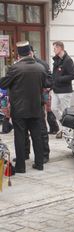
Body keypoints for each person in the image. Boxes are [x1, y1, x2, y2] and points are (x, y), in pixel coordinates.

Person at [0, 41, 46, 173]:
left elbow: (3, 84)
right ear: (29, 52)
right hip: (36, 107)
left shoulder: (15, 68)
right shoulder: (40, 67)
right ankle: (39, 163)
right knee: (37, 136)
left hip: (19, 109)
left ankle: (20, 166)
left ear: (19, 54)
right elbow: (46, 83)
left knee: (20, 137)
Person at [51, 41, 74, 138]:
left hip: (65, 90)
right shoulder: (57, 60)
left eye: (54, 48)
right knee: (54, 108)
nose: (53, 50)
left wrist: (60, 79)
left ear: (60, 48)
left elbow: (73, 75)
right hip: (55, 89)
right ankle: (63, 127)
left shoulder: (68, 60)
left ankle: (66, 131)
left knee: (66, 111)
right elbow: (54, 74)